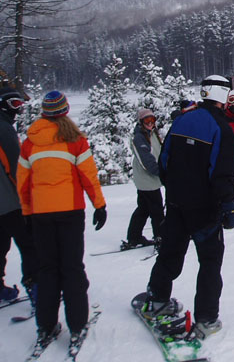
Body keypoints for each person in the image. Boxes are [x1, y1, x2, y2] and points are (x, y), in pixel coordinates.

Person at [143, 75, 234, 339]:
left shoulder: (183, 119)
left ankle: (158, 299)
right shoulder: (221, 128)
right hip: (205, 209)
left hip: (175, 202)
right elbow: (223, 173)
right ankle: (206, 318)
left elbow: (164, 160)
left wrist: (173, 187)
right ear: (222, 96)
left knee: (170, 253)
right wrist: (228, 206)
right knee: (209, 263)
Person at [17, 91, 107, 349]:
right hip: (70, 212)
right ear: (65, 111)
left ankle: (46, 327)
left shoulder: (30, 142)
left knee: (47, 271)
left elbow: (23, 182)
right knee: (72, 269)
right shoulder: (75, 140)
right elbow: (89, 177)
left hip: (40, 214)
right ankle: (77, 326)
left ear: (44, 112)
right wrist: (99, 205)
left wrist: (26, 211)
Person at [0, 87, 38, 305]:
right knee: (29, 243)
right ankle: (36, 290)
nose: (19, 110)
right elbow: (16, 168)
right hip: (11, 201)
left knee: (1, 244)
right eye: (15, 105)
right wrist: (27, 198)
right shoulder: (4, 129)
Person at [123, 109, 164, 250]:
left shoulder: (152, 134)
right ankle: (160, 237)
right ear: (141, 122)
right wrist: (160, 172)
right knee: (157, 209)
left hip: (148, 180)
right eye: (147, 120)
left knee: (143, 208)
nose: (150, 123)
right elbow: (146, 159)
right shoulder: (139, 137)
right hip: (147, 180)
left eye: (152, 120)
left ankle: (134, 237)